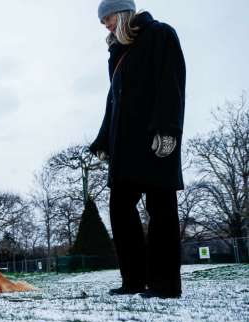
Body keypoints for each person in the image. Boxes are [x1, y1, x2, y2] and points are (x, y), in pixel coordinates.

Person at [89, 0, 186, 298]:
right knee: (120, 209)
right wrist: (104, 141)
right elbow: (113, 102)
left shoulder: (161, 34)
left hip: (153, 138)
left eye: (107, 17)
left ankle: (166, 285)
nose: (104, 23)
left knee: (161, 208)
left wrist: (168, 130)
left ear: (123, 13)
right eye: (102, 19)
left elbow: (172, 83)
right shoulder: (117, 52)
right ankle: (134, 280)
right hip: (123, 145)